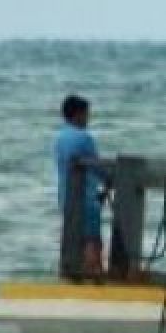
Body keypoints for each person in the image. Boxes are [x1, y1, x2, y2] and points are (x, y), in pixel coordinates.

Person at [53, 95, 106, 276]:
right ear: (78, 114)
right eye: (86, 114)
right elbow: (97, 166)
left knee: (71, 236)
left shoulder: (59, 138)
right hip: (86, 197)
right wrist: (111, 179)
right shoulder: (84, 137)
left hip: (65, 195)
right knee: (92, 238)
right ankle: (94, 273)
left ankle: (68, 271)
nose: (88, 118)